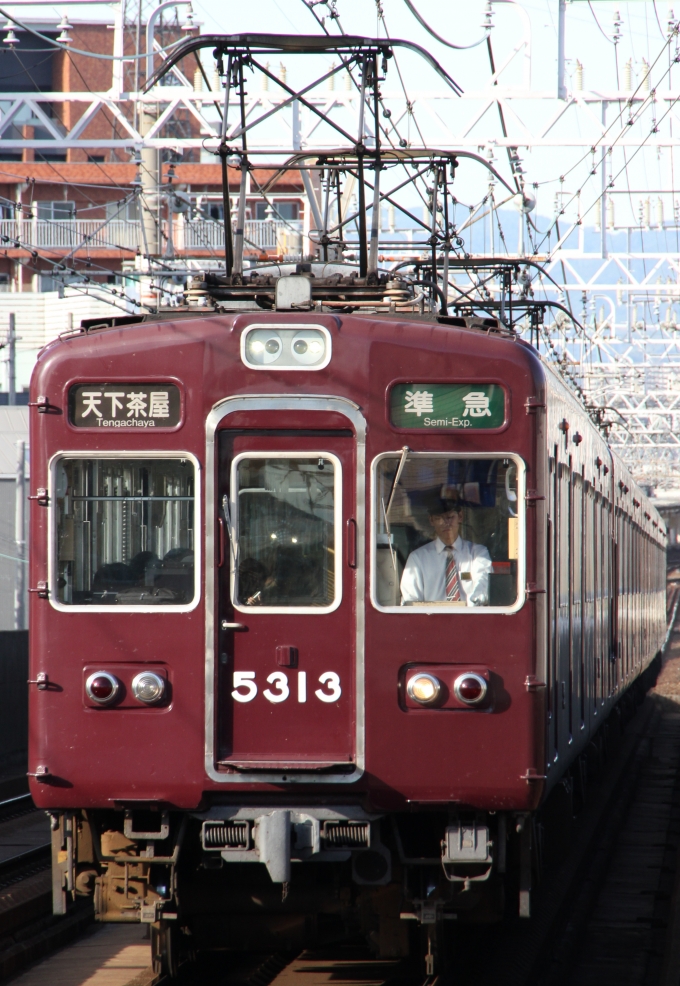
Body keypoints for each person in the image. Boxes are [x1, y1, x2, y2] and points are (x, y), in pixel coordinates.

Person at [400, 489, 492, 606]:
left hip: (469, 619)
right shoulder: (417, 558)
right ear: (431, 520)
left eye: (450, 517)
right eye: (439, 518)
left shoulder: (477, 553)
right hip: (431, 621)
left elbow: (483, 583)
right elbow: (410, 600)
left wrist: (471, 606)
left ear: (460, 516)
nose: (445, 523)